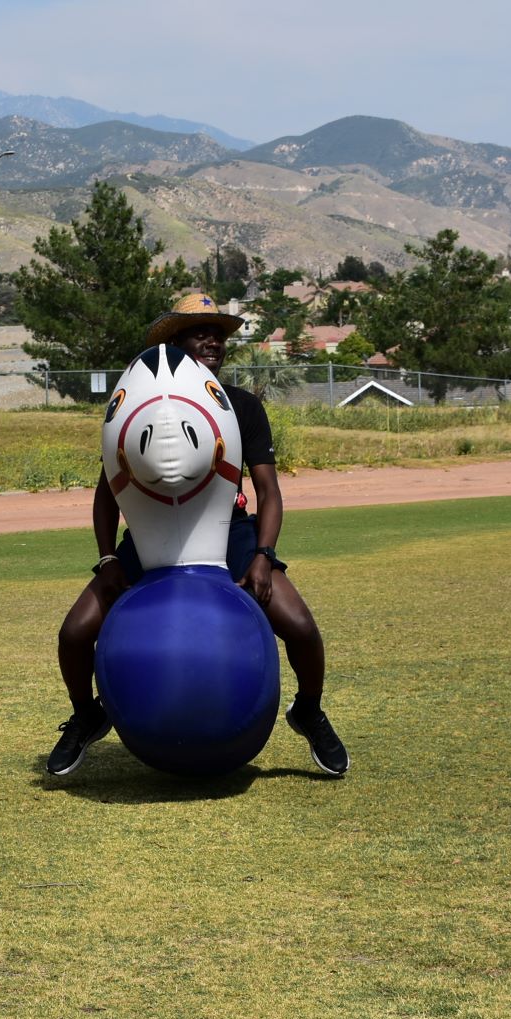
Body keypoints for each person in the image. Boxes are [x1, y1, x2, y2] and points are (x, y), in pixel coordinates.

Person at [48, 292, 349, 776]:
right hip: (148, 540)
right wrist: (107, 560)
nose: (213, 340)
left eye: (219, 333)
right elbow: (109, 494)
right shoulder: (140, 405)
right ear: (174, 342)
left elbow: (269, 491)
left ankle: (309, 712)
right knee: (75, 633)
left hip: (228, 535)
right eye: (199, 331)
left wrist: (264, 556)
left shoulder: (243, 407)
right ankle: (87, 716)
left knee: (300, 627)